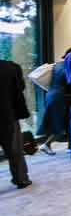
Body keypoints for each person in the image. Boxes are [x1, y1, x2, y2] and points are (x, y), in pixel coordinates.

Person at [36, 46, 71, 155]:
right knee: (59, 122)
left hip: (52, 94)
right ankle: (46, 144)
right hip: (60, 97)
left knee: (65, 120)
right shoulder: (68, 66)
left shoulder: (58, 65)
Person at [0, 59, 32, 188]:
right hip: (7, 114)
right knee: (14, 150)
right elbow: (20, 88)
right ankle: (21, 179)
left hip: (7, 113)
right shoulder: (10, 67)